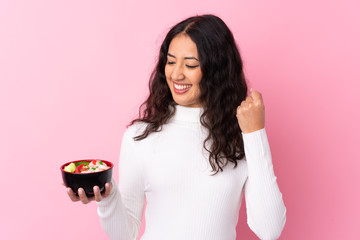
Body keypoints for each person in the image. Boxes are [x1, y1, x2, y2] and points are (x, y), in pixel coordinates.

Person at [65, 14, 286, 240]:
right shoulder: (140, 136)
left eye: (190, 64)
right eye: (170, 61)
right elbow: (125, 234)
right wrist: (107, 194)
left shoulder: (241, 135)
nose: (176, 74)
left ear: (217, 71)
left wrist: (255, 133)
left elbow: (270, 230)